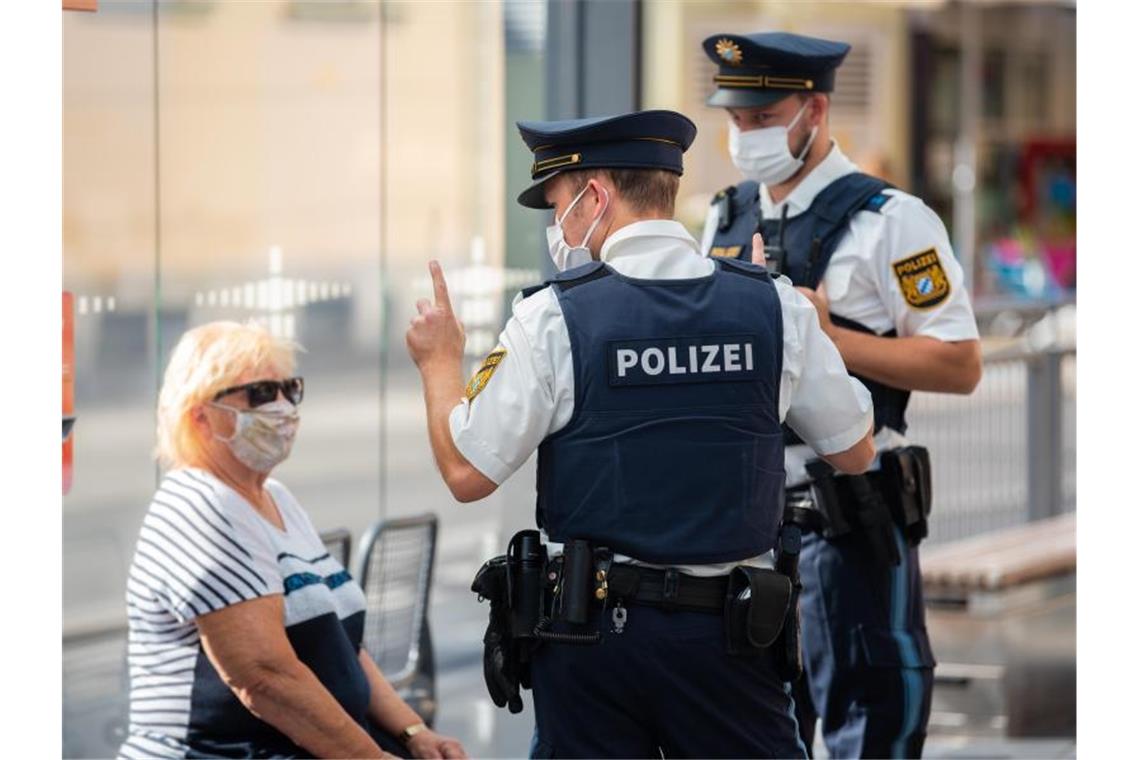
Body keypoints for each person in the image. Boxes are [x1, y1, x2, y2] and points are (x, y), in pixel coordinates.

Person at [405, 109, 876, 758]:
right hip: (734, 639)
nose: (556, 227)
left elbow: (467, 472)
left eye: (558, 204)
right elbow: (854, 450)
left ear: (594, 196)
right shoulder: (774, 305)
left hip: (596, 646)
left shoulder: (552, 317)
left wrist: (438, 364)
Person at [699, 32, 983, 758]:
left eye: (763, 118)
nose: (745, 134)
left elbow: (960, 364)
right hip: (749, 521)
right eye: (736, 118)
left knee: (874, 718)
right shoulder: (722, 217)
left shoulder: (893, 220)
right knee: (753, 727)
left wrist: (825, 338)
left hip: (851, 516)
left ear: (814, 110)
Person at [119, 320, 466, 760]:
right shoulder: (200, 505)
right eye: (260, 393)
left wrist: (413, 732)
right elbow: (265, 678)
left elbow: (341, 649)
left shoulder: (274, 497)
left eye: (289, 389)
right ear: (200, 415)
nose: (281, 406)